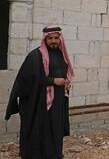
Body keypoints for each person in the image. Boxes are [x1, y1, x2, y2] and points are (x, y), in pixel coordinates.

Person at [5, 26, 74, 159]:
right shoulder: (35, 56)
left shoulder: (60, 55)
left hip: (57, 102)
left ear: (60, 39)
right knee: (39, 130)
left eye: (56, 38)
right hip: (38, 103)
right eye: (50, 38)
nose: (53, 41)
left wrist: (66, 83)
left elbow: (63, 74)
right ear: (45, 39)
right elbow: (29, 79)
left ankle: (54, 154)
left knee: (54, 129)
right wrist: (53, 81)